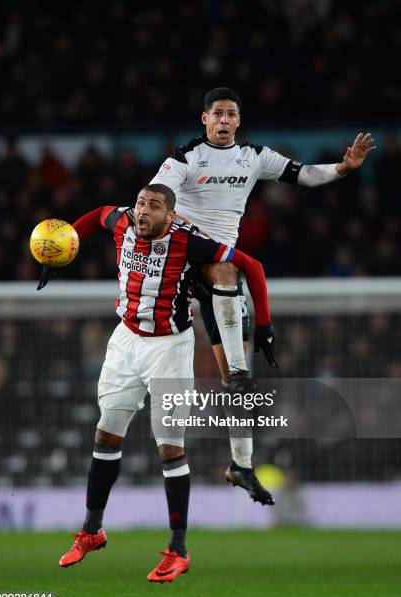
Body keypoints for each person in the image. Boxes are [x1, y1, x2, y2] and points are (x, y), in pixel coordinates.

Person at [150, 86, 376, 504]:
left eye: (230, 114)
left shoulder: (254, 157)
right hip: (183, 261)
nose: (222, 120)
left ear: (238, 121)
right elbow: (156, 196)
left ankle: (241, 464)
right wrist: (161, 210)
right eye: (216, 113)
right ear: (204, 119)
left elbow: (304, 174)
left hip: (221, 271)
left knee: (237, 379)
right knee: (202, 296)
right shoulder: (184, 158)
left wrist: (343, 168)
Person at [40, 183, 276, 583]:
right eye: (139, 204)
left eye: (153, 206)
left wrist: (265, 326)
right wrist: (65, 247)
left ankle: (178, 550)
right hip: (125, 340)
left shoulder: (190, 243)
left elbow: (252, 266)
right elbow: (98, 212)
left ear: (171, 215)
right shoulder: (122, 222)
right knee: (105, 436)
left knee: (169, 448)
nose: (142, 212)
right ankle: (92, 531)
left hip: (169, 348)